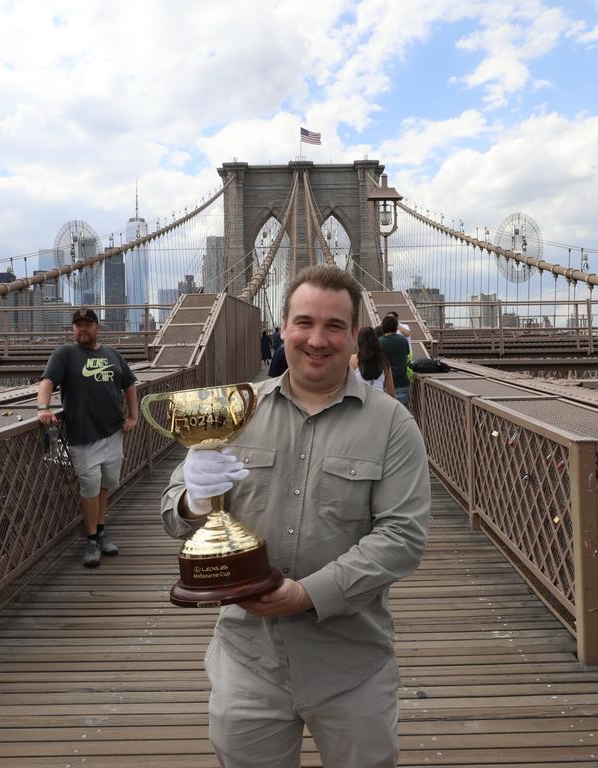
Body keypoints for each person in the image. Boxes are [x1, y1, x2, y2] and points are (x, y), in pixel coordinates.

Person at [161, 265, 430, 768]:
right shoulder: (234, 408)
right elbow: (174, 515)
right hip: (249, 660)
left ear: (354, 335)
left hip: (352, 666)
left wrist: (308, 595)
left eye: (334, 327)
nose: (317, 340)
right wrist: (193, 499)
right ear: (281, 326)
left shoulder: (393, 425)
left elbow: (402, 538)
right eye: (304, 323)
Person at [37, 307, 138, 568]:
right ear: (73, 330)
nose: (83, 328)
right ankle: (91, 538)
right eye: (78, 325)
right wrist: (43, 407)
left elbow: (129, 384)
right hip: (83, 436)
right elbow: (47, 381)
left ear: (97, 328)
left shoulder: (112, 354)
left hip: (113, 432)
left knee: (108, 483)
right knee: (90, 488)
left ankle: (101, 529)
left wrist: (134, 417)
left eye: (88, 324)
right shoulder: (65, 354)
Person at [349, 326, 395, 396]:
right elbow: (391, 393)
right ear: (376, 341)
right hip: (379, 402)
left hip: (360, 401)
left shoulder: (352, 360)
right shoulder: (383, 363)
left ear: (359, 343)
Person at [378, 315, 411, 408]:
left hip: (385, 384)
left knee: (386, 416)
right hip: (402, 383)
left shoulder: (380, 342)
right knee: (402, 416)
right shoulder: (403, 340)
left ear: (383, 327)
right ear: (395, 327)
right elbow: (407, 354)